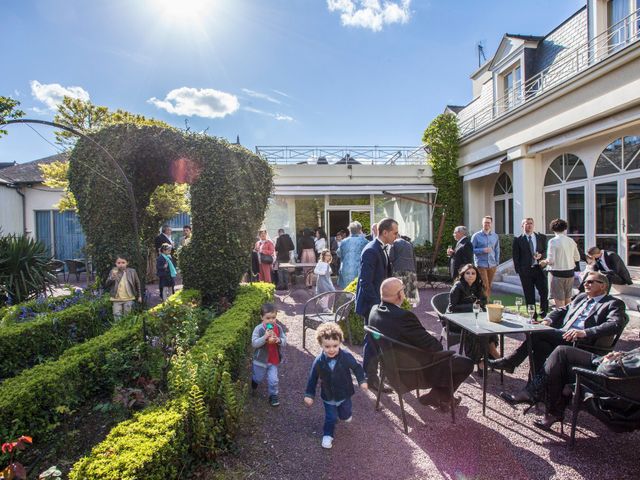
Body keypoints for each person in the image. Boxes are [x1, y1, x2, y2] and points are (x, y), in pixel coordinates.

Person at [490, 271, 627, 377]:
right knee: (540, 345)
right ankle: (536, 389)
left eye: (591, 282)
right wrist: (547, 320)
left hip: (582, 341)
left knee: (537, 332)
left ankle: (511, 362)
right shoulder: (581, 298)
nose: (586, 284)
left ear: (603, 285)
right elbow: (562, 309)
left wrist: (585, 332)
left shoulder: (612, 303)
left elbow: (615, 324)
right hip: (563, 334)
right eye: (585, 281)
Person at [369, 278, 474, 411]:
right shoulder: (403, 317)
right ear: (400, 295)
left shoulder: (374, 311)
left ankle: (438, 396)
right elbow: (435, 347)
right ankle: (440, 396)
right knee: (466, 363)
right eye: (403, 290)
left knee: (451, 359)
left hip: (390, 367)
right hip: (412, 372)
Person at [500, 345, 640, 431]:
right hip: (614, 373)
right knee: (556, 350)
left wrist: (608, 361)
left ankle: (535, 396)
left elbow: (610, 372)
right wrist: (618, 355)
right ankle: (545, 405)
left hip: (610, 387)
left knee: (560, 360)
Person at [304, 322, 367, 449]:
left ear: (340, 343)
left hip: (344, 393)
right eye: (327, 346)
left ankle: (344, 415)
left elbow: (356, 367)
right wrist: (309, 394)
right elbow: (313, 378)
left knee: (345, 413)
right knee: (331, 417)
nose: (331, 349)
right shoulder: (318, 361)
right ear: (321, 344)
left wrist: (361, 380)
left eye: (335, 346)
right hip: (329, 395)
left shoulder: (346, 357)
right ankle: (328, 435)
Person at [356, 218, 398, 392]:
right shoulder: (371, 251)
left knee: (378, 341)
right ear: (385, 232)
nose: (397, 236)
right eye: (395, 233)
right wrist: (377, 306)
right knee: (373, 341)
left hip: (378, 303)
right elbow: (365, 283)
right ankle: (371, 378)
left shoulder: (381, 248)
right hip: (371, 305)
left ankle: (378, 375)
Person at [447, 264, 498, 372]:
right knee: (476, 330)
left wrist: (481, 306)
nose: (470, 276)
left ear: (476, 275)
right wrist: (473, 306)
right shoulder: (458, 286)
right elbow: (452, 308)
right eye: (467, 273)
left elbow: (483, 303)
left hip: (474, 318)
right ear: (463, 274)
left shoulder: (478, 286)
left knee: (489, 327)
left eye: (473, 273)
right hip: (455, 321)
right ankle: (482, 360)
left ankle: (491, 356)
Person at [251, 303, 287, 407]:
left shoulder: (278, 328)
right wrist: (265, 337)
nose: (271, 320)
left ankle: (273, 395)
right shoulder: (259, 329)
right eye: (268, 318)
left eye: (273, 318)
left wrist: (278, 340)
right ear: (261, 317)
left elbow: (284, 341)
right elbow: (254, 343)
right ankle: (254, 382)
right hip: (260, 361)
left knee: (274, 380)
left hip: (273, 360)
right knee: (258, 377)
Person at [512, 218, 549, 317]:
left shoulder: (541, 237)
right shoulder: (518, 240)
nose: (529, 225)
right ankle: (533, 315)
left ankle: (544, 313)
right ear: (522, 226)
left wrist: (541, 255)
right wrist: (519, 271)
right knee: (529, 294)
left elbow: (546, 251)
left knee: (544, 291)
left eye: (531, 223)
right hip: (525, 271)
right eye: (526, 223)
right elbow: (516, 257)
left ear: (533, 225)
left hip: (539, 269)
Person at [546, 218, 580, 308]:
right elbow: (577, 257)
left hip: (557, 273)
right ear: (565, 228)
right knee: (568, 299)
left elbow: (551, 260)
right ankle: (568, 320)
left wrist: (543, 262)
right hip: (570, 273)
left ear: (552, 229)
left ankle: (560, 321)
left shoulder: (552, 241)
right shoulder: (571, 241)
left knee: (559, 302)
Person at [471, 216, 500, 299]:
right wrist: (482, 250)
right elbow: (471, 249)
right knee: (485, 285)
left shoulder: (495, 236)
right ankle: (485, 304)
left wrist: (497, 262)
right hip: (481, 265)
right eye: (485, 222)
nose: (487, 224)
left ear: (491, 224)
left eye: (488, 222)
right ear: (482, 223)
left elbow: (497, 250)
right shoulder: (476, 236)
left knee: (489, 286)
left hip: (492, 265)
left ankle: (484, 302)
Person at [105, 254, 142, 318]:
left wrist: (139, 296)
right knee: (117, 318)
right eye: (118, 263)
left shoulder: (132, 271)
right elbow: (107, 284)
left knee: (127, 318)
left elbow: (137, 283)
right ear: (115, 263)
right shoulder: (113, 271)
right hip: (116, 299)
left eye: (123, 262)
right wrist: (112, 277)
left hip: (128, 298)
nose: (121, 264)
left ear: (127, 263)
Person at [389, 235, 420, 306]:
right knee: (410, 295)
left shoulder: (394, 244)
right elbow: (414, 259)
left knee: (399, 292)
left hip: (398, 270)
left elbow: (391, 258)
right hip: (411, 270)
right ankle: (409, 310)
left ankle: (400, 310)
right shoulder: (409, 244)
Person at [336, 221, 368, 289]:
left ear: (350, 230)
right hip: (358, 269)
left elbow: (338, 253)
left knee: (347, 291)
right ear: (360, 230)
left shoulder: (344, 241)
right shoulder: (364, 241)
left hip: (345, 269)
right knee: (357, 290)